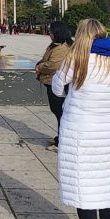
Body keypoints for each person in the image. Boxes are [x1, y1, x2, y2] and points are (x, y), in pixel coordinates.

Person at [52, 18, 110, 219]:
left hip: (80, 131)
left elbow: (57, 87)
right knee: (106, 186)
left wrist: (69, 91)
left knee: (84, 186)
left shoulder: (77, 59)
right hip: (107, 133)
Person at [35, 21, 73, 152]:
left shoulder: (61, 47)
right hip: (51, 82)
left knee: (60, 112)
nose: (49, 34)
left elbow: (53, 65)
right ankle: (61, 137)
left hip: (56, 83)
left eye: (51, 31)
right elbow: (46, 60)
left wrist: (40, 67)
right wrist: (39, 63)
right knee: (58, 112)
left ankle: (62, 141)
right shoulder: (56, 45)